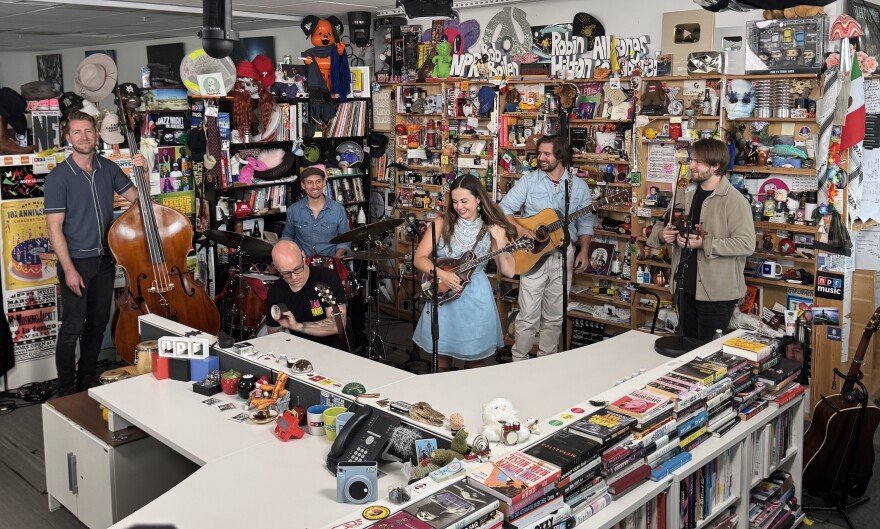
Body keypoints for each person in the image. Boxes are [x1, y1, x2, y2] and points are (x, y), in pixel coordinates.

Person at [44, 110, 147, 396]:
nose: (84, 137)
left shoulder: (108, 168)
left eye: (88, 131)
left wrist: (144, 171)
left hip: (104, 260)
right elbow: (55, 228)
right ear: (68, 138)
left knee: (98, 324)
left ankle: (87, 380)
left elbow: (140, 202)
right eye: (77, 132)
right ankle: (66, 391)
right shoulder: (59, 177)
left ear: (97, 135)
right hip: (75, 262)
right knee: (72, 328)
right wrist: (69, 269)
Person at [647, 138, 754, 342]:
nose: (691, 165)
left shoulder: (734, 201)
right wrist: (663, 235)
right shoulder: (683, 194)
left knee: (708, 355)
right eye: (691, 160)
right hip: (684, 288)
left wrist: (704, 243)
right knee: (686, 348)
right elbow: (661, 226)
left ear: (715, 166)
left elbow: (746, 244)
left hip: (717, 294)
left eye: (697, 162)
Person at [500, 136, 593, 361]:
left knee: (554, 315)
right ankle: (519, 362)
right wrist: (521, 230)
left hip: (563, 253)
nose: (540, 158)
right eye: (539, 153)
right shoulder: (529, 181)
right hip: (533, 254)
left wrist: (584, 250)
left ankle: (547, 362)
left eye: (546, 154)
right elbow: (504, 208)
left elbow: (586, 221)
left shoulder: (578, 186)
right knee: (528, 315)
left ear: (560, 157)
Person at [412, 174, 517, 371]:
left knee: (474, 363)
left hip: (475, 298)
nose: (459, 207)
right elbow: (419, 259)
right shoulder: (441, 223)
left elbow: (509, 271)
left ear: (478, 199)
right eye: (455, 201)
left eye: (464, 201)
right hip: (443, 295)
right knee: (441, 359)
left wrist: (501, 240)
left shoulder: (490, 228)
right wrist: (442, 275)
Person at [265, 240, 348, 350]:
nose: (294, 277)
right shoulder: (276, 292)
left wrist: (298, 326)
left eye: (297, 269)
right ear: (276, 267)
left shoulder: (326, 278)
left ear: (303, 256)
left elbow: (338, 324)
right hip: (299, 353)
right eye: (286, 273)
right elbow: (275, 337)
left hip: (334, 351)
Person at [280, 164, 350, 257]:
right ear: (303, 185)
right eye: (309, 182)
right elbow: (287, 236)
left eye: (318, 182)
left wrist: (336, 259)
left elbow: (345, 239)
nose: (314, 186)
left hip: (330, 262)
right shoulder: (293, 210)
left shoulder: (338, 210)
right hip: (302, 264)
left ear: (324, 183)